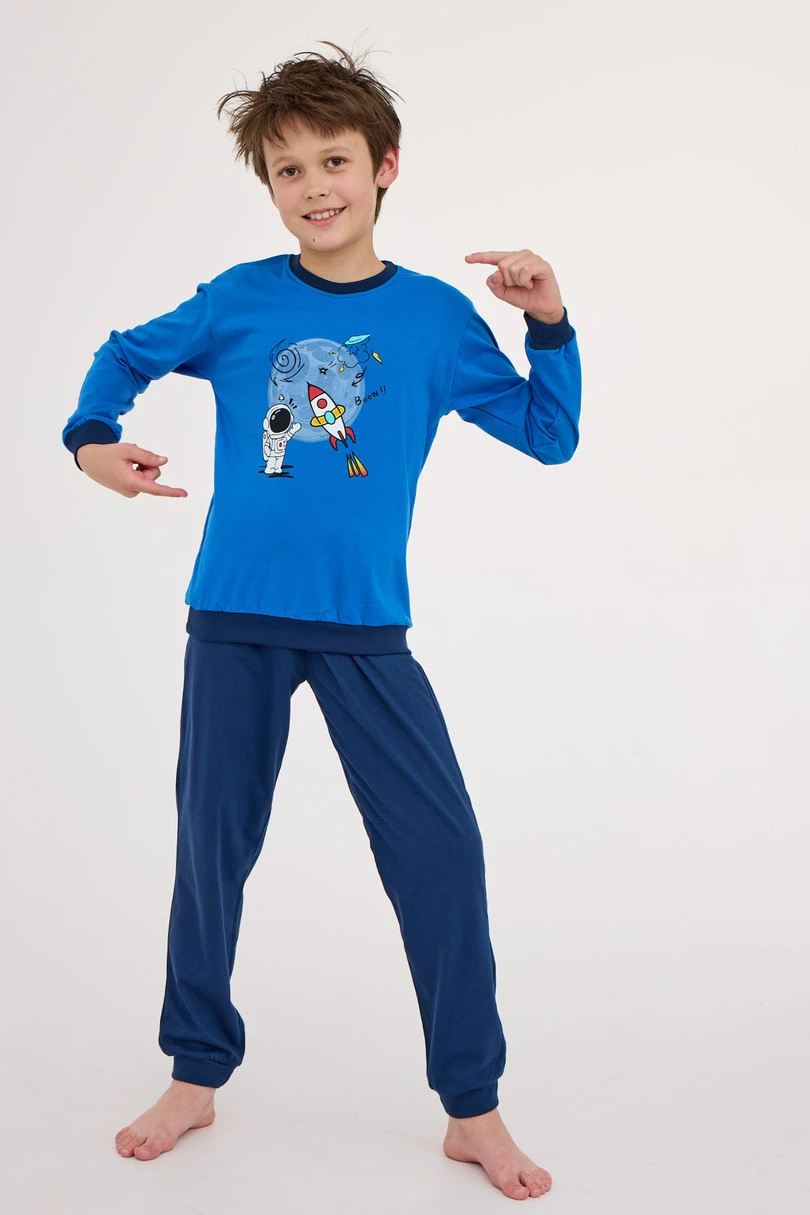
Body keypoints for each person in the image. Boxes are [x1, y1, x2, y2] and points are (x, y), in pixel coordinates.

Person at [62, 40, 581, 1201]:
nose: (313, 187)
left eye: (334, 160)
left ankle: (472, 1108)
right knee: (213, 850)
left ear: (384, 165)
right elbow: (123, 356)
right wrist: (91, 442)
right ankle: (196, 1074)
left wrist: (548, 324)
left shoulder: (437, 319)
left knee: (441, 855)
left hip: (365, 631)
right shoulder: (239, 300)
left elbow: (549, 436)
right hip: (233, 621)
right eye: (287, 170)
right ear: (271, 187)